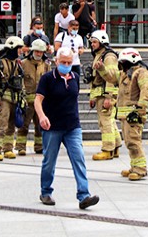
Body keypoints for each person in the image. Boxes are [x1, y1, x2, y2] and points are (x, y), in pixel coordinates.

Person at [35, 47, 99, 210]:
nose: (66, 65)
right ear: (56, 61)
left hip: (72, 126)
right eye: (63, 62)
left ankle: (84, 195)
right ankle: (46, 192)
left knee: (78, 158)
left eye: (69, 62)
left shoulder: (75, 77)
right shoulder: (47, 78)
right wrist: (42, 116)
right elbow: (38, 100)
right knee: (49, 161)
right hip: (52, 127)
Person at [115, 48, 148, 181]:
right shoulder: (127, 74)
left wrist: (140, 109)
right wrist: (101, 68)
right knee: (129, 141)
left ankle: (140, 169)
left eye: (123, 62)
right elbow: (111, 77)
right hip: (126, 115)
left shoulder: (141, 73)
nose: (121, 65)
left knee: (134, 141)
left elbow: (146, 90)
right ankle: (134, 166)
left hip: (134, 115)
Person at [0, 36, 26, 161]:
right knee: (1, 125)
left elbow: (21, 81)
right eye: (19, 49)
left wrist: (22, 97)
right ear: (12, 48)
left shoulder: (17, 64)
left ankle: (8, 149)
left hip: (15, 98)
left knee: (11, 126)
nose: (21, 51)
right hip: (3, 99)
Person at [87, 30, 122, 160]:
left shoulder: (109, 57)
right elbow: (94, 78)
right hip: (100, 93)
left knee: (105, 122)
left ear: (102, 42)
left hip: (106, 94)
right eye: (92, 42)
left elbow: (111, 77)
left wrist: (109, 97)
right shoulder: (99, 55)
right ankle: (116, 146)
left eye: (95, 42)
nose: (92, 44)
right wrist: (92, 97)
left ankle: (107, 149)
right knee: (109, 121)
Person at [18, 39, 51, 155]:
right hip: (27, 100)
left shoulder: (46, 65)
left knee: (40, 125)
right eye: (36, 51)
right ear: (32, 51)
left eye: (41, 52)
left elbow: (49, 82)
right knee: (23, 125)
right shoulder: (23, 64)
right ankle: (21, 147)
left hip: (41, 102)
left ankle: (39, 146)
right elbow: (20, 81)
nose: (38, 54)